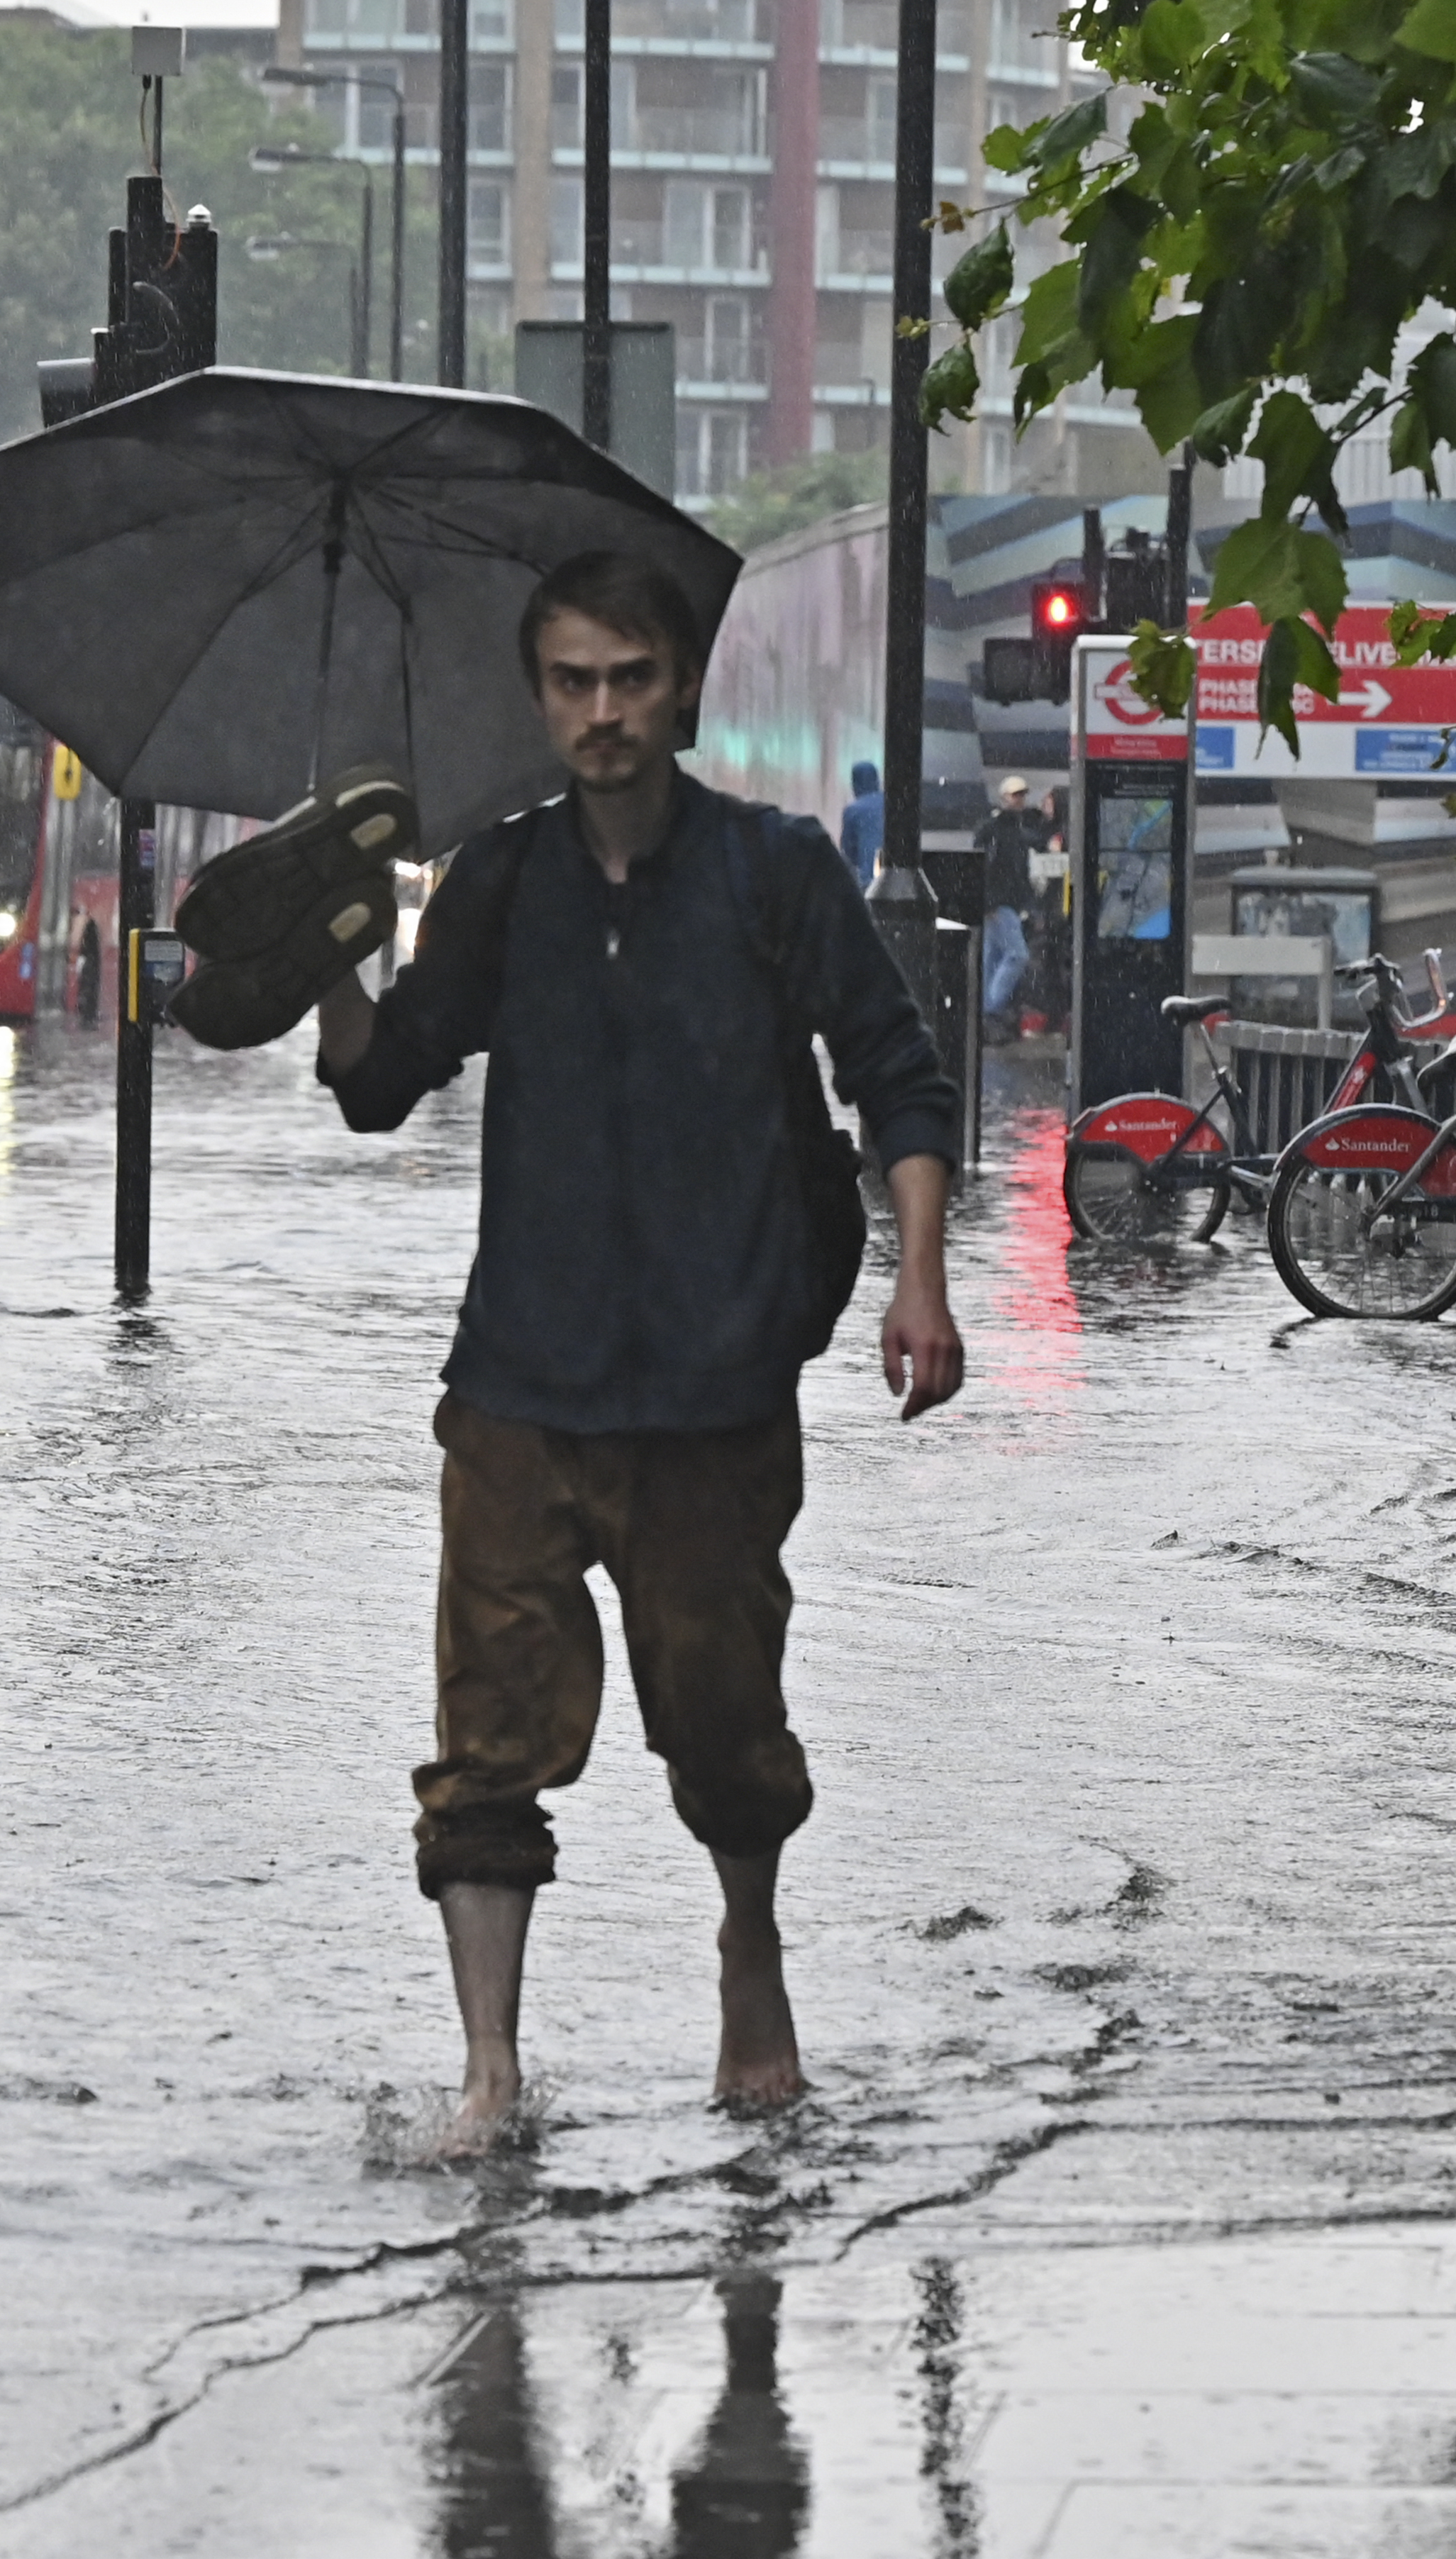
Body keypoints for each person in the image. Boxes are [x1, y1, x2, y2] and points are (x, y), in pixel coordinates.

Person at [313, 548, 968, 2158]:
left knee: (727, 1729)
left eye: (628, 679)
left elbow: (900, 1072)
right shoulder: (502, 882)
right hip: (520, 1390)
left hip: (714, 1393)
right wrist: (312, 953)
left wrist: (922, 1280)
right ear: (537, 696)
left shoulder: (776, 873)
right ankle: (490, 2073)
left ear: (679, 687)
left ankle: (751, 1941)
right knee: (483, 1746)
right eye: (570, 682)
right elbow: (383, 1082)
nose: (600, 713)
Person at [976, 776, 1038, 1031]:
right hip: (1001, 902)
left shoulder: (1007, 830)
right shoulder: (1001, 830)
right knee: (1016, 955)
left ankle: (984, 1012)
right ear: (1004, 797)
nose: (1020, 799)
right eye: (1015, 795)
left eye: (1022, 794)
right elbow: (990, 868)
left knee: (993, 958)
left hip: (1001, 902)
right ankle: (992, 1008)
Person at [835, 757, 884, 892]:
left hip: (868, 880)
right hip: (891, 878)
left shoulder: (853, 810)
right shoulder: (890, 803)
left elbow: (848, 851)